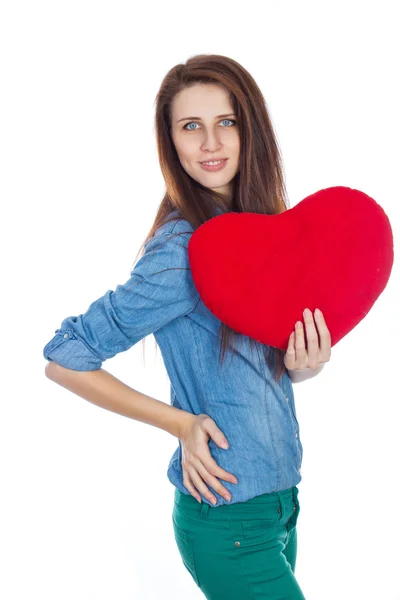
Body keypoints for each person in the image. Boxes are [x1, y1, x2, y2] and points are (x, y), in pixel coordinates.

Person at [43, 54, 331, 599]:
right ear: (170, 142)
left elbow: (252, 372)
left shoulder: (259, 229)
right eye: (190, 127)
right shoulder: (182, 253)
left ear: (251, 130)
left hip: (279, 504)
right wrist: (178, 423)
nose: (211, 144)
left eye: (226, 122)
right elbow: (66, 357)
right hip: (228, 523)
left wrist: (303, 367)